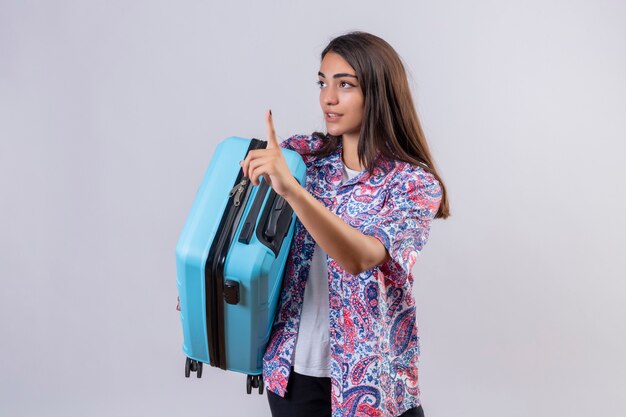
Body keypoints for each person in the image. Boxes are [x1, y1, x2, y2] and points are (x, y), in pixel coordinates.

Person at [240, 31, 450, 417]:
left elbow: (359, 257)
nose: (328, 98)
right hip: (293, 374)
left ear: (379, 93)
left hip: (372, 380)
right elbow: (240, 238)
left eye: (345, 85)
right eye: (323, 82)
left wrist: (292, 191)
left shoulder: (413, 184)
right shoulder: (304, 159)